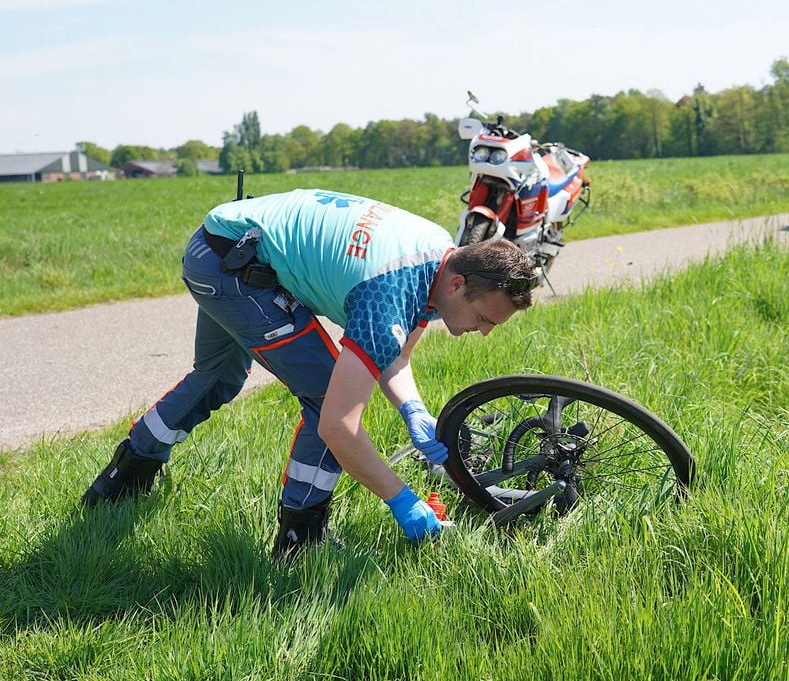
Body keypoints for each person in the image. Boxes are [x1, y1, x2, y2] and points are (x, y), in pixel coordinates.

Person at [80, 187, 536, 559]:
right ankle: (301, 537)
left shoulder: (442, 256)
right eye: (485, 320)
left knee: (218, 375)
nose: (484, 333)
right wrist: (404, 501)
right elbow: (339, 426)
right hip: (233, 267)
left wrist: (413, 409)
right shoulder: (389, 294)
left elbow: (394, 357)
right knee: (325, 396)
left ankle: (120, 481)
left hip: (222, 243)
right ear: (458, 285)